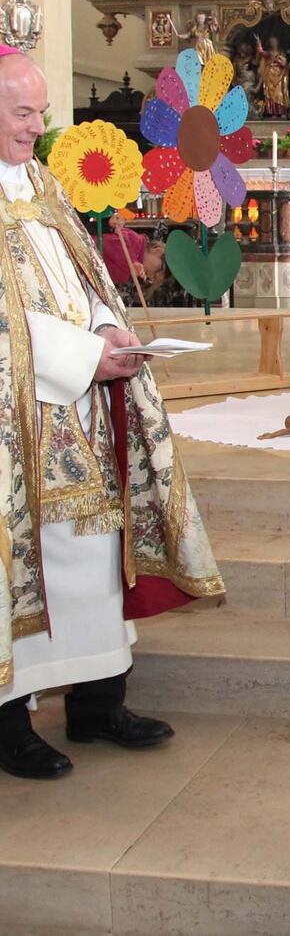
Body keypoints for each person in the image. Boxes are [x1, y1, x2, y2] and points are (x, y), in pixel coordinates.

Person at [0, 50, 224, 779]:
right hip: (18, 422)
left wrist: (106, 329)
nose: (37, 128)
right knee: (28, 562)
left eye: (39, 113)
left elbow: (82, 275)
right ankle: (11, 723)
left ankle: (98, 701)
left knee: (96, 553)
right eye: (21, 114)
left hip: (84, 409)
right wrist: (78, 356)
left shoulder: (39, 182)